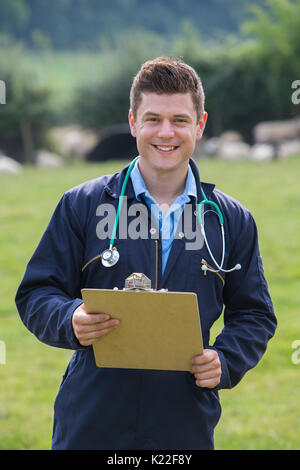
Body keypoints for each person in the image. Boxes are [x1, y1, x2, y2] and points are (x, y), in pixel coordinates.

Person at [15, 57, 277, 450]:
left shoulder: (231, 219)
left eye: (180, 120)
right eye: (153, 119)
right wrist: (70, 318)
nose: (166, 133)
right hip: (92, 421)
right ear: (133, 122)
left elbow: (255, 313)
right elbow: (36, 294)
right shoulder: (82, 205)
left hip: (184, 421)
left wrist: (226, 358)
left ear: (200, 125)